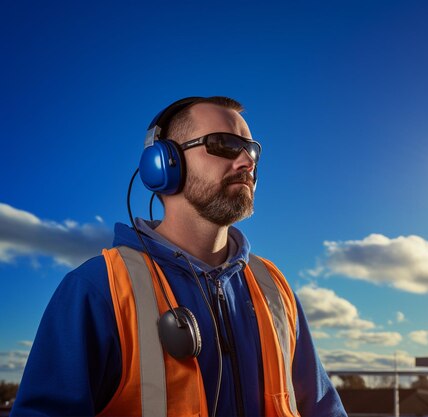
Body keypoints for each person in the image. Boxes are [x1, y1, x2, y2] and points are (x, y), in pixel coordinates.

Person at [11, 96, 347, 417]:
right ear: (163, 164)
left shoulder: (273, 287)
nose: (247, 162)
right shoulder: (98, 288)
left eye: (251, 151)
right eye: (225, 145)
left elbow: (320, 407)